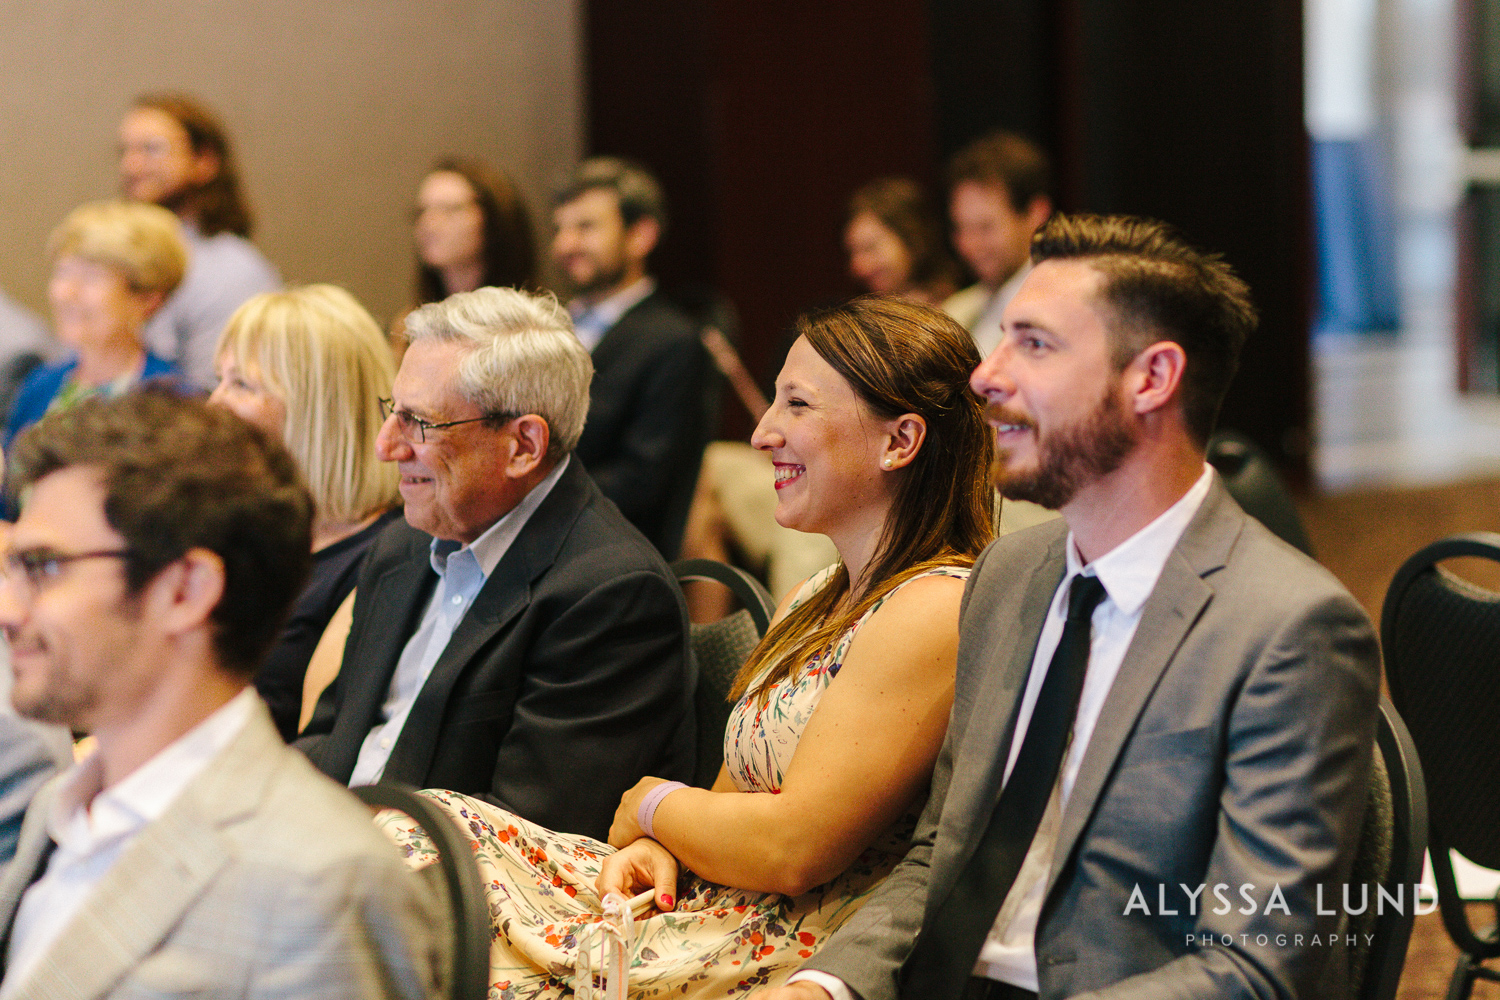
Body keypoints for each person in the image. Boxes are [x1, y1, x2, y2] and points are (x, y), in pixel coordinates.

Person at [768, 215, 1382, 1000]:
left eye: (1033, 343)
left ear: (1151, 379)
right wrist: (824, 986)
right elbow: (939, 859)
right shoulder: (1009, 577)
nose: (986, 375)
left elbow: (1257, 966)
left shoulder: (1285, 628)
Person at [377, 295, 995, 996]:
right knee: (414, 838)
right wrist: (656, 844)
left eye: (797, 405)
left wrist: (648, 804)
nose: (762, 433)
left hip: (788, 954)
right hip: (713, 907)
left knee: (418, 887)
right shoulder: (816, 597)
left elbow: (792, 847)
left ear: (899, 441)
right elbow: (727, 804)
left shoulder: (934, 606)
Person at [0, 391, 442, 999]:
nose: (8, 608)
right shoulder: (62, 807)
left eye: (45, 567)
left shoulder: (320, 885)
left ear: (185, 591)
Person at [295, 286, 695, 842]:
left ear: (523, 445)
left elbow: (525, 835)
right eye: (394, 413)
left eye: (420, 423)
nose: (387, 446)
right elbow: (336, 739)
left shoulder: (611, 596)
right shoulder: (403, 547)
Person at [209, 285, 401, 741]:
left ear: (318, 408)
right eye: (218, 378)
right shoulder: (240, 522)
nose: (214, 403)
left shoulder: (387, 558)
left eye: (241, 384)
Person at [552, 156, 712, 555]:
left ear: (640, 235)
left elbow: (643, 482)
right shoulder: (546, 324)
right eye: (561, 229)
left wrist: (526, 494)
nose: (565, 245)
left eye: (585, 227)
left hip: (604, 551)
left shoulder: (672, 340)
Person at [119, 93, 282, 392]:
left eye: (151, 149)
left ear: (204, 161)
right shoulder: (119, 261)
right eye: (125, 151)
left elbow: (216, 397)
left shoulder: (233, 271)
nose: (131, 165)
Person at [3, 201, 186, 456]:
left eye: (91, 277)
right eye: (63, 272)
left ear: (147, 298)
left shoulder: (171, 399)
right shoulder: (41, 385)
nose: (68, 293)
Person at [941, 131, 1053, 358]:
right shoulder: (958, 309)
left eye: (985, 228)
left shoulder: (1057, 308)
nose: (969, 245)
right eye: (962, 228)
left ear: (1035, 214)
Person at [414, 157, 538, 304]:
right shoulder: (409, 321)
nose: (428, 224)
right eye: (422, 211)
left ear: (492, 218)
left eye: (449, 209)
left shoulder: (530, 321)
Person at [845, 177, 960, 304]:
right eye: (852, 253)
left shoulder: (967, 309)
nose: (859, 267)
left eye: (871, 248)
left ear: (912, 237)